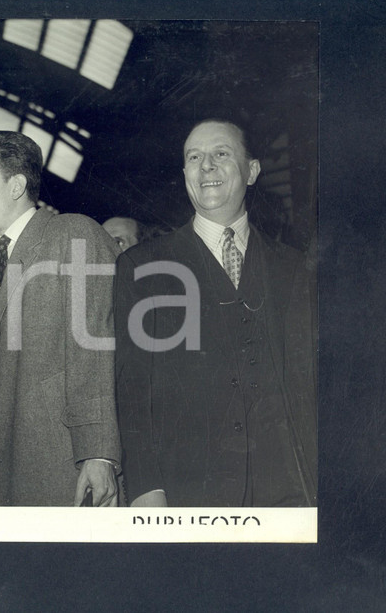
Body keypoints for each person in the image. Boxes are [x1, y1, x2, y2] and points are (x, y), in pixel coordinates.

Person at [114, 118, 316, 508]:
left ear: (252, 171)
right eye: (194, 157)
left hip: (287, 491)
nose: (206, 165)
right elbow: (133, 388)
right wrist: (145, 487)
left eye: (220, 153)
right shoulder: (142, 267)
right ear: (185, 175)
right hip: (189, 490)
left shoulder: (293, 267)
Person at [0, 131, 122, 507]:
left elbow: (95, 352)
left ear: (16, 185)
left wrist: (97, 454)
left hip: (65, 465)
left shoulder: (73, 233)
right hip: (14, 466)